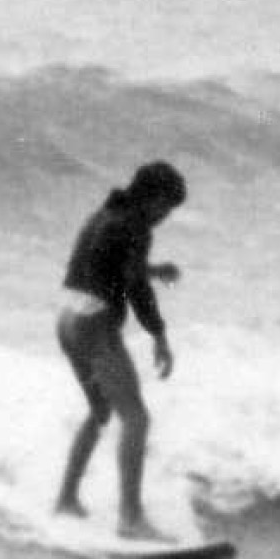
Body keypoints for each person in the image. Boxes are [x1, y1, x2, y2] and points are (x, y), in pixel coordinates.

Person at [54, 161, 187, 536]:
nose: (164, 217)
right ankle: (131, 519)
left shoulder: (106, 213)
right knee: (136, 419)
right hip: (94, 325)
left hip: (67, 319)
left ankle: (66, 500)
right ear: (153, 199)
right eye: (166, 208)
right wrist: (159, 335)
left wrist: (153, 270)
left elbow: (103, 264)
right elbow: (134, 287)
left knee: (100, 411)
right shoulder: (136, 226)